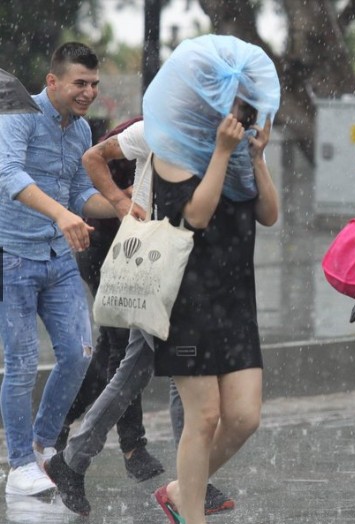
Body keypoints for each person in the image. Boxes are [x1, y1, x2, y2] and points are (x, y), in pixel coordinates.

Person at [142, 34, 281, 524]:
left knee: (244, 418)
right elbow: (196, 217)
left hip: (237, 300)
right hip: (188, 301)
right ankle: (192, 516)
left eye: (248, 104)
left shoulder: (243, 147)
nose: (243, 114)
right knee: (202, 419)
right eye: (237, 103)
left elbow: (269, 214)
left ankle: (182, 492)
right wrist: (221, 153)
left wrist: (257, 158)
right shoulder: (172, 151)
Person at [67, 115, 234, 513]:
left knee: (138, 370)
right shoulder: (153, 129)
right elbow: (94, 157)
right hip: (156, 264)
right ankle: (193, 483)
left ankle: (73, 459)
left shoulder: (221, 141)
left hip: (191, 269)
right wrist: (123, 204)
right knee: (178, 375)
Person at [0, 42, 118, 497]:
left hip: (57, 259)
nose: (88, 92)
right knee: (23, 363)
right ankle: (18, 466)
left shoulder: (82, 131)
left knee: (79, 354)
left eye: (94, 84)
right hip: (12, 257)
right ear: (53, 82)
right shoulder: (19, 116)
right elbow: (9, 175)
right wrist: (61, 216)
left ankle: (42, 445)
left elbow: (79, 195)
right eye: (79, 83)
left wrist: (126, 206)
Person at [55, 116, 166, 484]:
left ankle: (61, 419)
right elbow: (87, 175)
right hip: (106, 248)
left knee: (112, 349)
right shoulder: (140, 131)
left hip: (139, 250)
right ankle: (133, 447)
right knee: (122, 346)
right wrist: (121, 197)